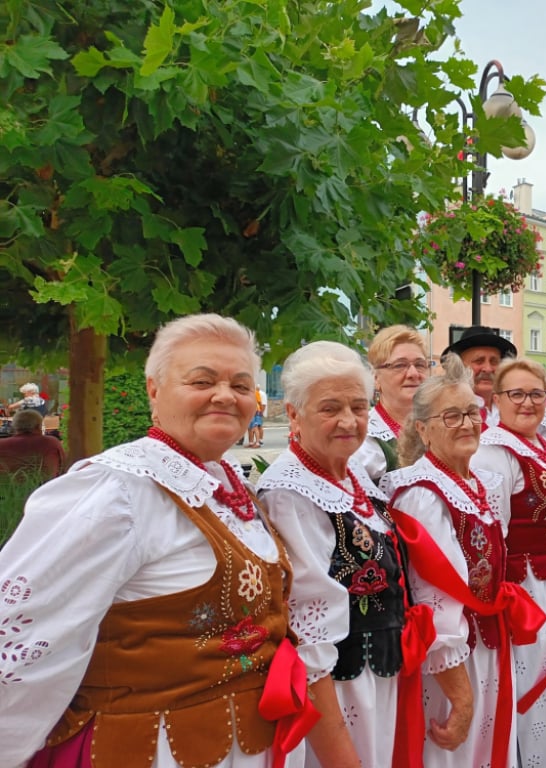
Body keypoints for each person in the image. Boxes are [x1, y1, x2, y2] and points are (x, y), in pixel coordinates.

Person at [0, 313, 316, 768]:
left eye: (242, 386)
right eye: (202, 380)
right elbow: (26, 636)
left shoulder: (228, 487)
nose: (225, 395)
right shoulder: (117, 491)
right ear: (154, 390)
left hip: (245, 745)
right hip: (150, 748)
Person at [258, 341, 426, 767]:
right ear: (294, 414)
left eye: (358, 406)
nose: (348, 421)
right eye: (330, 408)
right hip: (337, 686)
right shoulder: (290, 493)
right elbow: (306, 634)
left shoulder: (353, 478)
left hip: (376, 676)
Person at [382, 355, 544, 768]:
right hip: (452, 659)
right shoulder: (422, 493)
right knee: (453, 749)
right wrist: (461, 697)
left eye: (472, 412)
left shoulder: (477, 484)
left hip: (486, 645)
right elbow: (435, 601)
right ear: (423, 428)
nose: (468, 424)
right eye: (451, 416)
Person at [472, 358, 546, 767]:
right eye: (516, 394)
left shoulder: (544, 445)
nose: (527, 402)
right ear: (497, 399)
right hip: (526, 592)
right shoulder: (492, 453)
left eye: (536, 393)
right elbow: (490, 539)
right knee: (532, 689)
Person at [354, 325, 433, 482]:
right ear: (376, 378)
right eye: (400, 365)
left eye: (419, 364)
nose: (413, 374)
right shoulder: (364, 439)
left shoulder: (441, 424)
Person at [441, 325, 517, 432]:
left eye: (494, 362)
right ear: (459, 366)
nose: (488, 369)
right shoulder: (448, 411)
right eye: (479, 361)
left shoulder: (512, 408)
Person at [0, 408, 65, 478]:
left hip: (8, 488)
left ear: (15, 427)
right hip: (46, 487)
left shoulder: (2, 444)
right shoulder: (51, 442)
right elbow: (64, 466)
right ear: (38, 426)